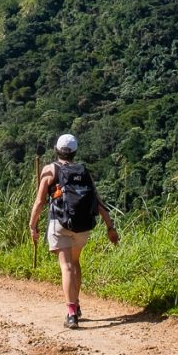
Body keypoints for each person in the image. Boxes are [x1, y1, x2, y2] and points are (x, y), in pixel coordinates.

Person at [28, 132, 118, 328]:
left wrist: (32, 224)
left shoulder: (50, 170)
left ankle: (71, 312)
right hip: (82, 226)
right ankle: (76, 305)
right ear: (75, 152)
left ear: (57, 150)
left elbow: (40, 201)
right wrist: (110, 227)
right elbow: (97, 201)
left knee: (66, 266)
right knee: (75, 262)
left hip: (60, 224)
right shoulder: (83, 171)